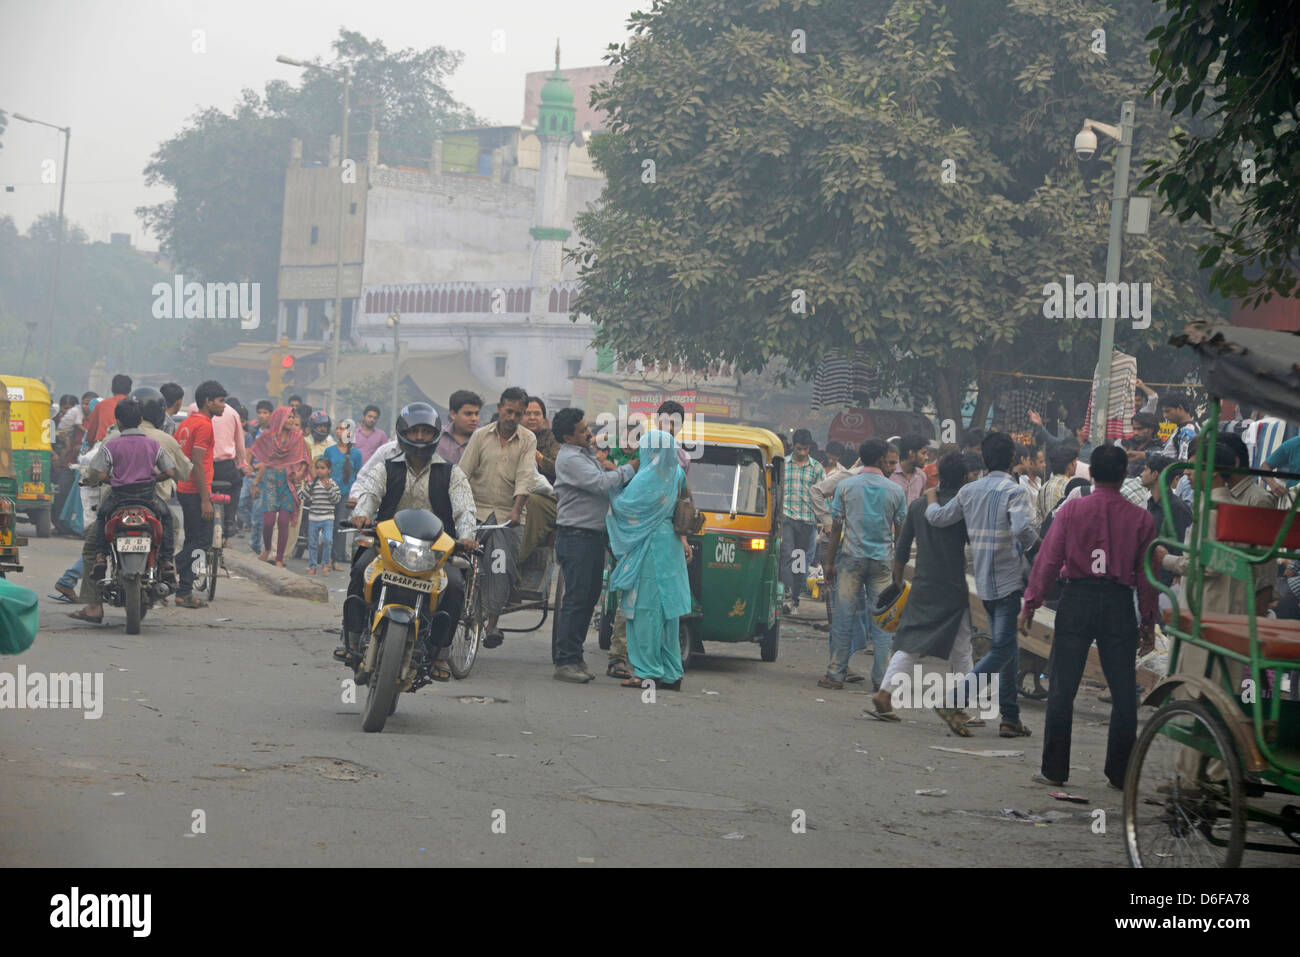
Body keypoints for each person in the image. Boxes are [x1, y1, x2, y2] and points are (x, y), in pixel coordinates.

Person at [1021, 445, 1157, 789]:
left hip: (1077, 599)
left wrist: (1031, 603)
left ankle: (1054, 769)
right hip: (1118, 604)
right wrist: (1148, 624)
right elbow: (1147, 577)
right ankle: (1120, 773)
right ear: (1124, 474)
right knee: (1125, 692)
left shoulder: (1072, 511)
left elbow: (1048, 560)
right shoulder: (1141, 519)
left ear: (1091, 474)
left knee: (1063, 687)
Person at [344, 404, 477, 679]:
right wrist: (362, 516)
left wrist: (466, 537)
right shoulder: (385, 468)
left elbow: (465, 510)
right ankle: (352, 639)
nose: (419, 437)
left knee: (453, 586)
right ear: (403, 433)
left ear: (435, 435)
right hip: (388, 549)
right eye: (414, 431)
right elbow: (369, 495)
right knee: (360, 571)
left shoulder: (452, 473)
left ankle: (440, 654)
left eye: (425, 432)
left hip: (435, 554)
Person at [925, 431, 1040, 738]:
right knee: (1002, 649)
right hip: (1007, 580)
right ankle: (955, 700)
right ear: (1013, 458)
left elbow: (938, 518)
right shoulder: (1014, 492)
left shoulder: (969, 491)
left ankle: (1010, 717)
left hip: (983, 583)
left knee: (1009, 649)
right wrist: (1038, 548)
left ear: (984, 459)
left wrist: (932, 497)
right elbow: (1022, 529)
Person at [872, 452, 978, 732]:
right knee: (962, 648)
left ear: (938, 475)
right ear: (965, 479)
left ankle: (884, 693)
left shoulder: (919, 506)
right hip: (953, 586)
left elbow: (902, 547)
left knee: (911, 642)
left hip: (922, 584)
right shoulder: (963, 508)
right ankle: (962, 706)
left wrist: (897, 581)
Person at [551, 407, 639, 682]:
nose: (589, 432)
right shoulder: (569, 459)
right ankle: (565, 661)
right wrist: (630, 468)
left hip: (591, 536)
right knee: (577, 600)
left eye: (587, 426)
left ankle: (574, 657)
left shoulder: (584, 453)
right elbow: (601, 483)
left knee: (587, 600)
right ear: (567, 436)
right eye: (582, 430)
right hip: (576, 536)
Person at [606, 429, 692, 691]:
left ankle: (647, 672)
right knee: (668, 615)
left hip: (650, 547)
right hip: (672, 547)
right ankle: (671, 672)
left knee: (645, 612)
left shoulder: (648, 477)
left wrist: (612, 486)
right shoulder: (676, 473)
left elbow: (623, 508)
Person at [822, 438, 906, 691]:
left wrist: (829, 562)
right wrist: (897, 568)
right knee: (882, 623)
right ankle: (882, 681)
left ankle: (835, 674)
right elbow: (900, 532)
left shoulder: (846, 486)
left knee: (843, 617)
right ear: (882, 459)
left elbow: (836, 527)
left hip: (851, 559)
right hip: (882, 561)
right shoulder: (895, 491)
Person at [457, 386, 537, 648]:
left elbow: (526, 476)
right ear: (500, 409)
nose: (512, 417)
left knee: (499, 567)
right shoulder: (480, 436)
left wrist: (516, 510)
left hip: (507, 514)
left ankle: (492, 624)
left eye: (519, 413)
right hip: (476, 511)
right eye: (509, 411)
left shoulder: (528, 439)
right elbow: (462, 473)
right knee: (458, 565)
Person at [84, 398, 176, 585]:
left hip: (119, 498)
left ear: (118, 421)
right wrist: (153, 479)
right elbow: (170, 472)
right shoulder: (153, 445)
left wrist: (115, 480)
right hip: (148, 498)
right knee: (167, 518)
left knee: (102, 517)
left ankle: (101, 557)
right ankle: (166, 560)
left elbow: (100, 475)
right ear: (141, 419)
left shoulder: (112, 445)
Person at [172, 381, 225, 608]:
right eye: (221, 401)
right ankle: (173, 564)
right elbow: (197, 462)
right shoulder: (204, 426)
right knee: (202, 541)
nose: (223, 406)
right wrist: (206, 499)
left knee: (193, 540)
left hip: (185, 489)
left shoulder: (185, 423)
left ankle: (183, 592)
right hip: (196, 492)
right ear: (208, 401)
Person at [131, 386, 191, 582]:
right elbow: (179, 471)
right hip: (153, 500)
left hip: (118, 499)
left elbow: (97, 471)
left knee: (96, 537)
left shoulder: (115, 437)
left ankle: (94, 594)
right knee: (170, 522)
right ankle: (166, 562)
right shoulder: (164, 441)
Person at [249, 407, 310, 567]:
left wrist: (299, 474)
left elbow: (304, 461)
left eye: (293, 417)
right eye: (288, 417)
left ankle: (279, 559)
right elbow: (261, 460)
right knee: (268, 521)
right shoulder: (268, 438)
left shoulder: (297, 438)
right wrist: (254, 480)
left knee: (284, 521)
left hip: (287, 483)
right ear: (279, 419)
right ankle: (268, 549)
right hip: (270, 482)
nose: (291, 420)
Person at [781, 428, 825, 614]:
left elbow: (823, 496)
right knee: (786, 553)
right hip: (786, 518)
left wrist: (824, 521)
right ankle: (785, 594)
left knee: (799, 560)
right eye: (799, 449)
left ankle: (794, 599)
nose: (801, 453)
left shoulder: (816, 468)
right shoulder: (783, 464)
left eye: (805, 449)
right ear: (793, 446)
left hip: (807, 521)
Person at [325, 419, 363, 566]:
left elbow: (359, 474)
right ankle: (327, 558)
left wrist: (356, 495)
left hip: (346, 494)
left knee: (340, 526)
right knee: (329, 524)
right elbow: (324, 470)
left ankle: (337, 558)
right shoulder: (329, 451)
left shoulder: (356, 454)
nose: (340, 431)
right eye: (339, 428)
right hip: (329, 493)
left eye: (344, 429)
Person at [299, 457, 341, 574]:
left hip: (327, 518)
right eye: (317, 468)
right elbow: (303, 496)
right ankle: (313, 566)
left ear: (329, 470)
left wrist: (329, 489)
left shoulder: (333, 484)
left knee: (328, 541)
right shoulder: (313, 484)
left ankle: (325, 564)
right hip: (313, 518)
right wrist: (297, 486)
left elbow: (336, 499)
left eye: (322, 468)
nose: (319, 470)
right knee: (312, 543)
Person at [82, 374, 133, 446]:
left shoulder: (101, 405)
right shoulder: (134, 406)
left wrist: (90, 445)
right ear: (130, 389)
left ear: (112, 389)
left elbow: (91, 433)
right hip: (128, 445)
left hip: (103, 445)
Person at [435, 390, 481, 465]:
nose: (474, 419)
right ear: (453, 414)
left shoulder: (484, 439)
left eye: (476, 414)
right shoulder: (436, 436)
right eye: (468, 414)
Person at [1038, 443, 1079, 521]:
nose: (1077, 464)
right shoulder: (1069, 487)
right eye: (1075, 461)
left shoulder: (1045, 486)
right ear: (1070, 465)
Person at [524, 396, 560, 482]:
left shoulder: (553, 438)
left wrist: (537, 455)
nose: (532, 418)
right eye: (527, 414)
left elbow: (558, 468)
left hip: (546, 490)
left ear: (543, 419)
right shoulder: (515, 436)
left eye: (537, 414)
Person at [890, 433, 929, 505]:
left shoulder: (922, 476)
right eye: (923, 453)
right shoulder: (890, 474)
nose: (927, 457)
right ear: (911, 453)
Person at [1161, 391, 1199, 460]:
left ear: (1180, 408)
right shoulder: (1180, 428)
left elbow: (1183, 463)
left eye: (1167, 411)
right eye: (1163, 412)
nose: (1165, 416)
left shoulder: (1188, 431)